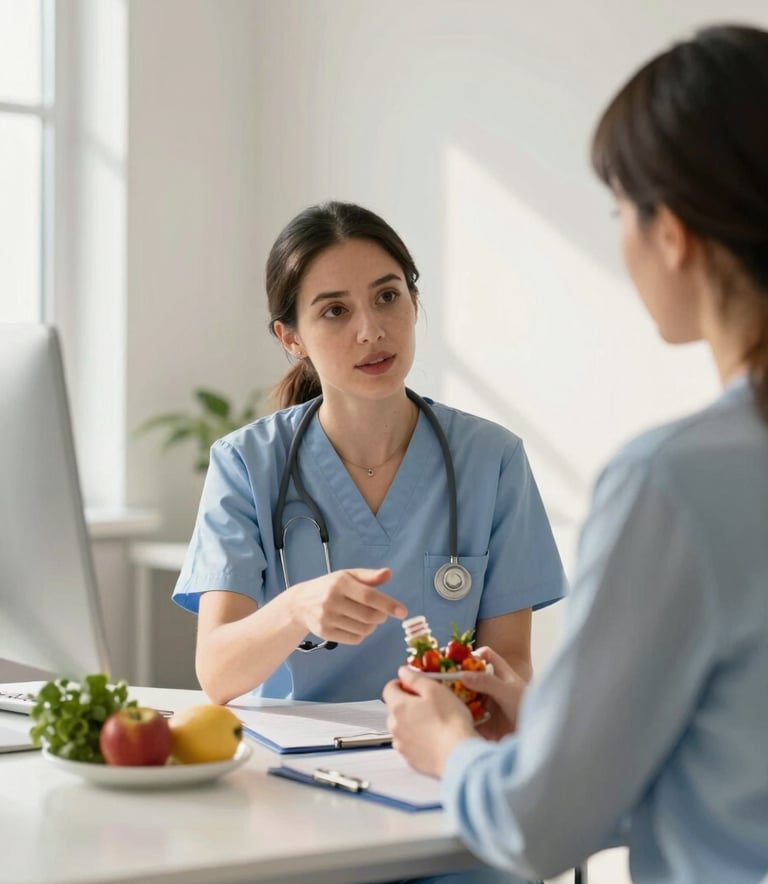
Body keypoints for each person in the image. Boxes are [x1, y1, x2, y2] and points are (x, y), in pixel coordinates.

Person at [383, 23, 768, 884]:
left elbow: (536, 831)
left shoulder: (674, 482)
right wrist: (555, 725)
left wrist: (448, 748)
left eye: (620, 211)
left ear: (671, 232)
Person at [173, 201, 565, 707]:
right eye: (335, 310)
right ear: (291, 338)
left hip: (438, 757)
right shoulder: (246, 464)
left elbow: (509, 668)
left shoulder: (493, 460)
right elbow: (218, 673)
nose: (371, 331)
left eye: (387, 296)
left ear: (414, 302)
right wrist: (296, 609)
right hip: (291, 763)